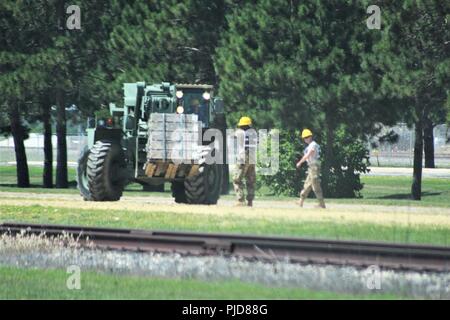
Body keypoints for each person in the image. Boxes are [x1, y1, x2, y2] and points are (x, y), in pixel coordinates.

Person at [296, 129, 326, 208]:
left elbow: (309, 154)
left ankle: (321, 204)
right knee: (307, 185)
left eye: (307, 137)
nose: (306, 139)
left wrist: (300, 162)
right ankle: (300, 202)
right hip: (311, 166)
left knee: (315, 185)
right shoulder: (310, 145)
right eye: (304, 137)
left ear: (311, 136)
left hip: (314, 166)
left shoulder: (313, 144)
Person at [233, 116, 256, 207]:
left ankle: (240, 200)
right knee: (250, 180)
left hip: (243, 157)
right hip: (252, 158)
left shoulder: (239, 132)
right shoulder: (254, 132)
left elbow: (232, 136)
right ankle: (250, 201)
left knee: (237, 180)